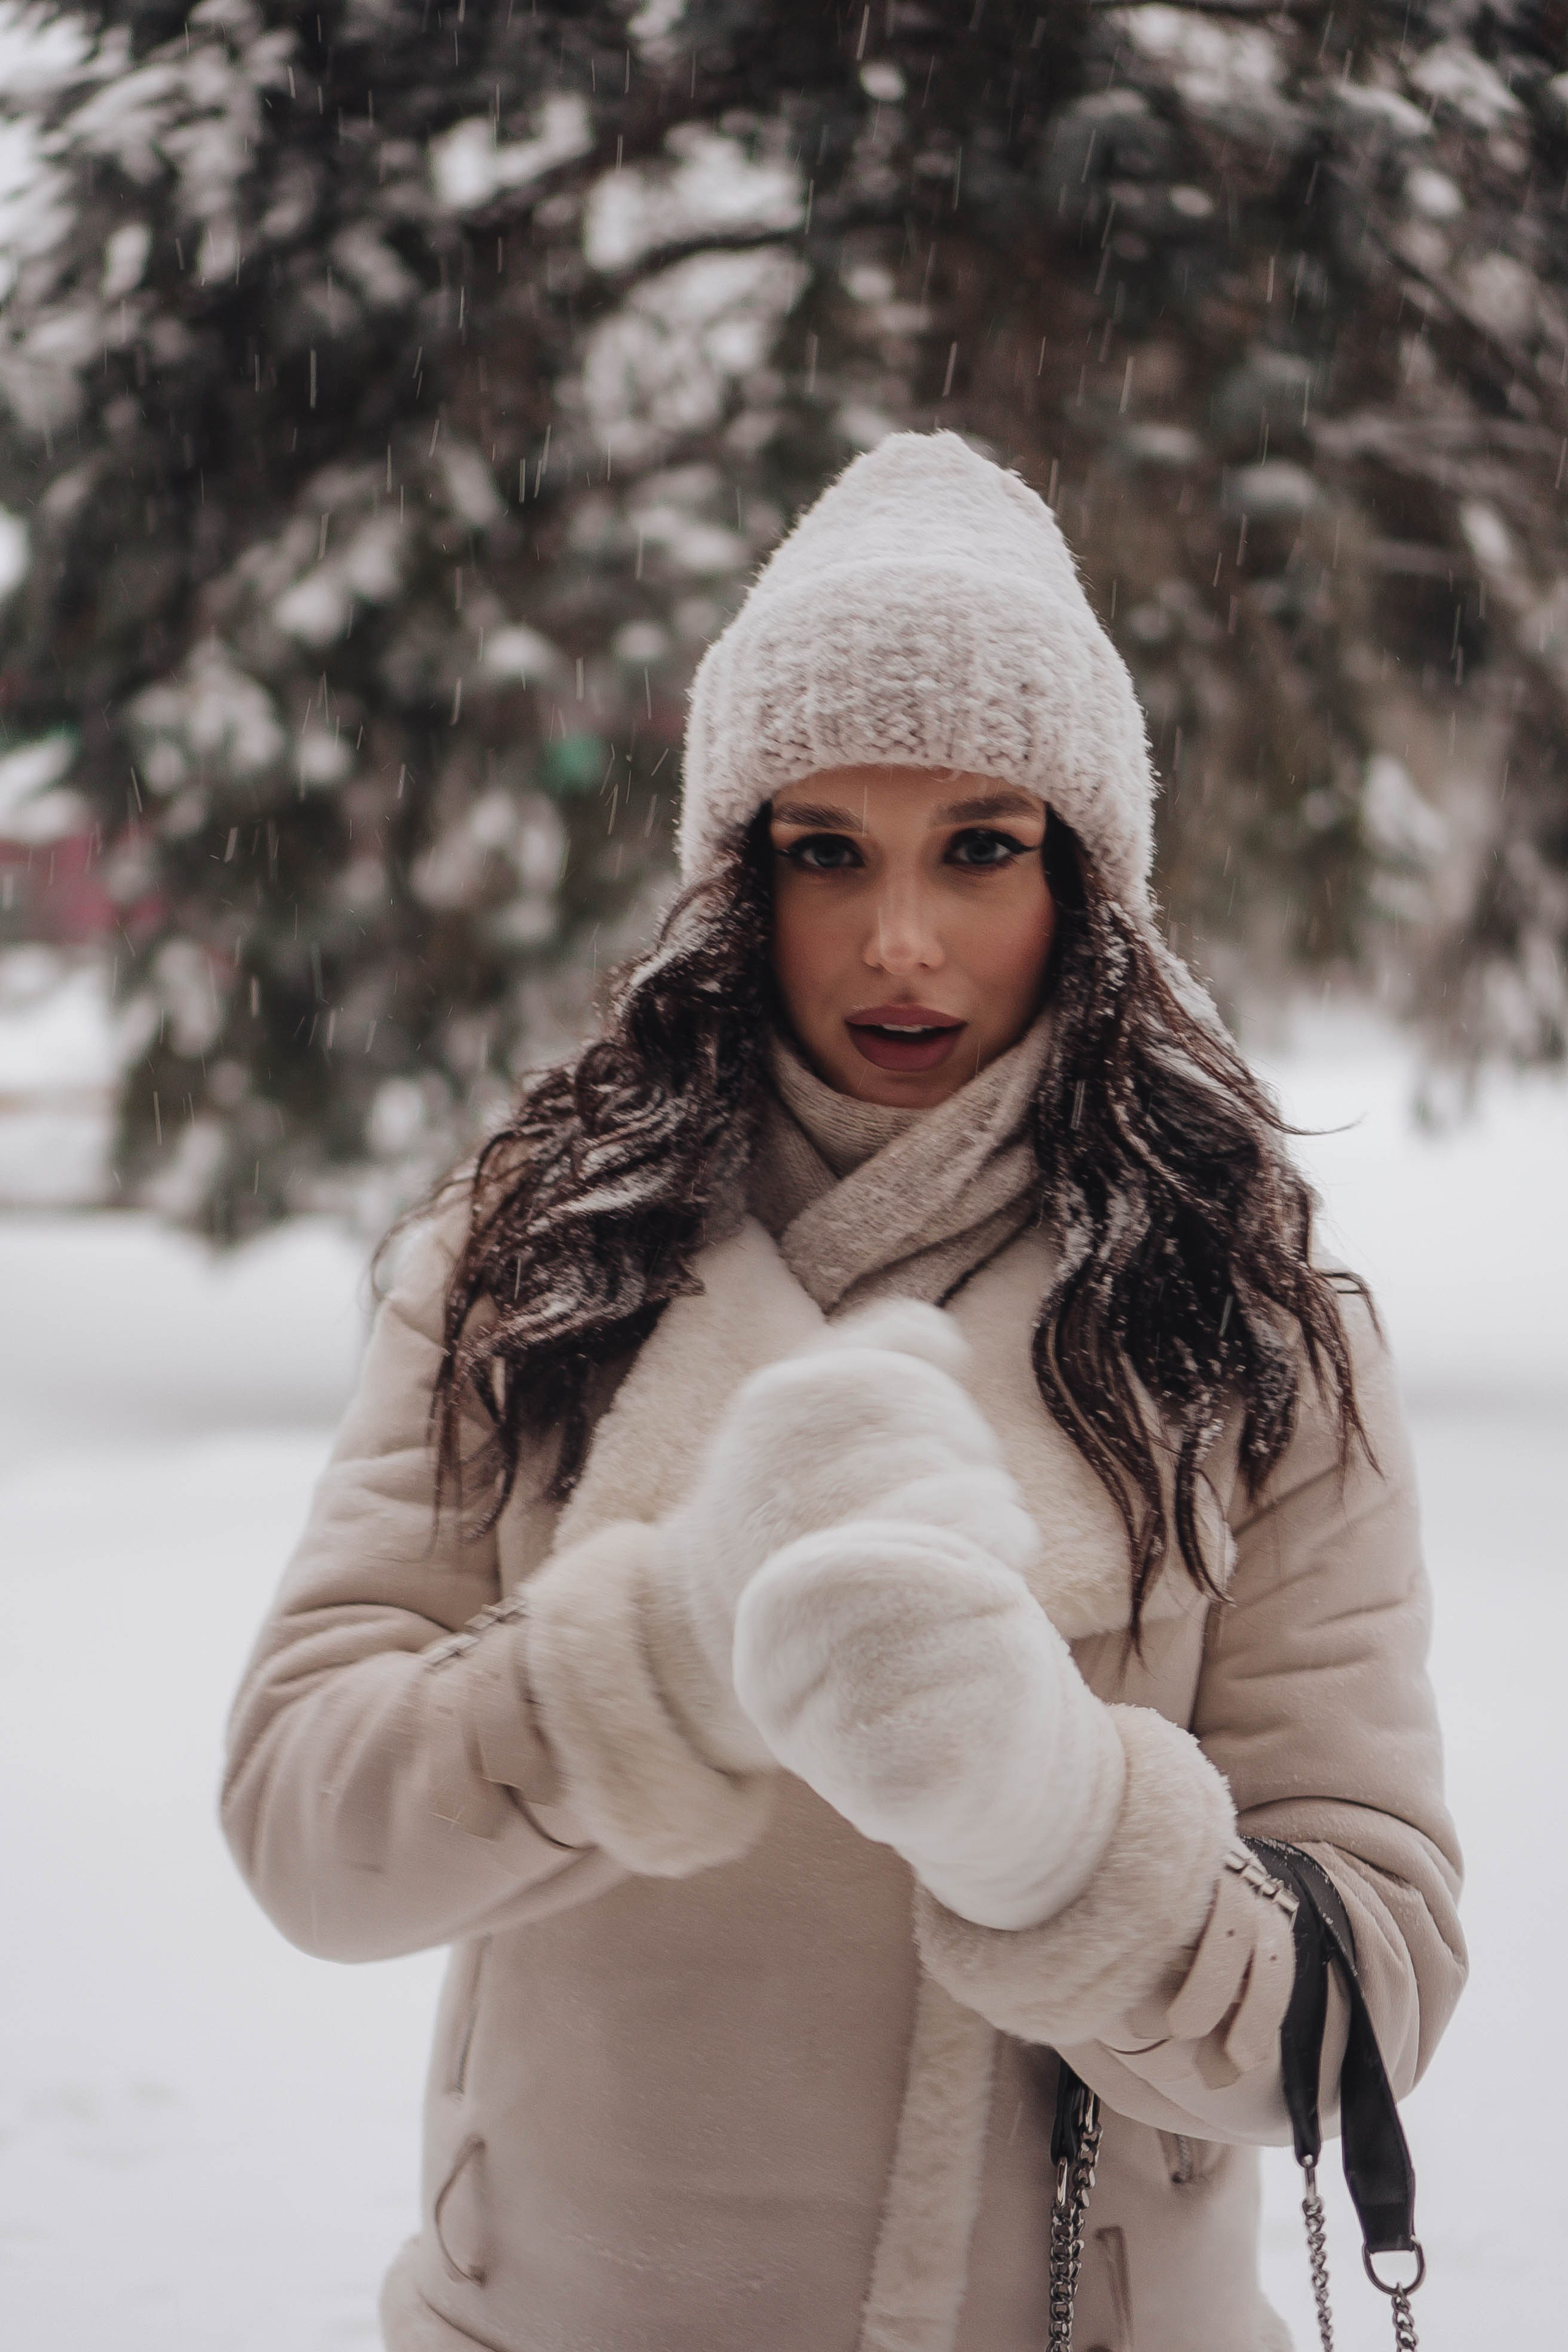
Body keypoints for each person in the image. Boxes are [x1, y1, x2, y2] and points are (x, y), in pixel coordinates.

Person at [222, 432, 1464, 2352]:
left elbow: (1362, 2005)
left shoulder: (1251, 1324)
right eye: (830, 853)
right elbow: (310, 1833)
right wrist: (669, 1646)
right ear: (741, 880)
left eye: (979, 847)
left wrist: (1054, 1824)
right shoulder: (529, 1260)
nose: (901, 942)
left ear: (1086, 880)